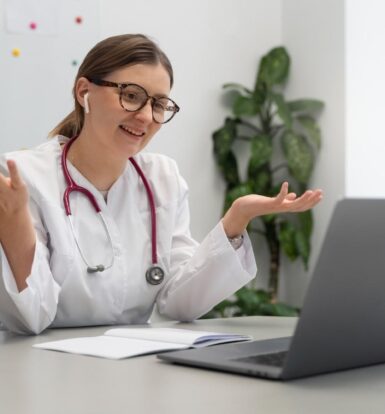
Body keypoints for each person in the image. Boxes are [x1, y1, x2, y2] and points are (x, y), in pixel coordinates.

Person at [0, 34, 322, 334]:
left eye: (158, 104)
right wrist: (15, 228)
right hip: (45, 368)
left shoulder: (162, 178)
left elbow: (180, 303)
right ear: (84, 92)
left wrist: (236, 221)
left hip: (135, 370)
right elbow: (31, 317)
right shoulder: (22, 178)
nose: (145, 116)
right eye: (131, 96)